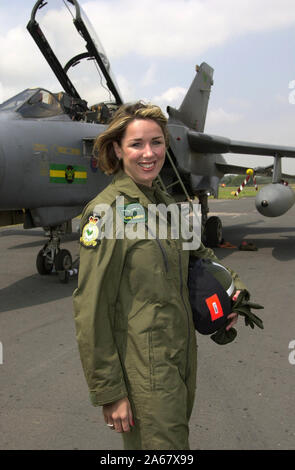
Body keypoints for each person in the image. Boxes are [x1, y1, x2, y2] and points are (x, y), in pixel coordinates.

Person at [73, 101, 247, 450]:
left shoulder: (165, 204)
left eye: (156, 142)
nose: (148, 153)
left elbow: (200, 256)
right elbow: (91, 309)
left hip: (180, 356)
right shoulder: (105, 213)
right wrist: (110, 392)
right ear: (117, 149)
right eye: (136, 144)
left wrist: (234, 291)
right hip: (144, 368)